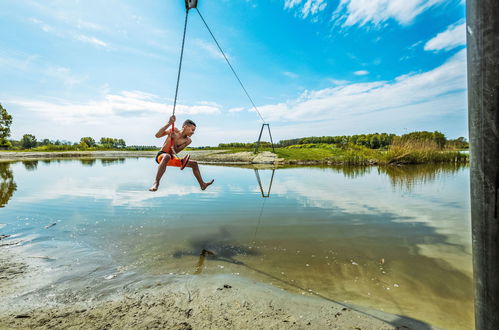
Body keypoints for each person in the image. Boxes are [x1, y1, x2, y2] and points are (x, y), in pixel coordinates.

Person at [149, 115, 214, 192]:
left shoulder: (188, 140)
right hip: (161, 156)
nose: (193, 132)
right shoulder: (174, 130)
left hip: (171, 157)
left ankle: (202, 184)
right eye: (192, 130)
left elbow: (175, 151)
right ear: (185, 127)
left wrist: (175, 140)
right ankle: (156, 183)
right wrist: (169, 123)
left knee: (194, 164)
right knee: (167, 156)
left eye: (194, 131)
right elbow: (157, 135)